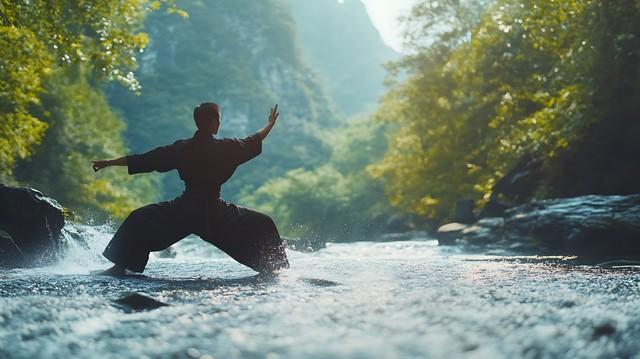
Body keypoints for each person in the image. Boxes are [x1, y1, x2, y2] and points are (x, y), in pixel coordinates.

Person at [91, 103, 289, 276]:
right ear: (212, 123)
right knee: (263, 223)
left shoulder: (182, 148)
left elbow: (146, 159)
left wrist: (109, 162)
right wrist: (270, 125)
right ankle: (276, 269)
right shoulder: (226, 148)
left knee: (138, 218)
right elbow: (253, 140)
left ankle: (120, 267)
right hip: (214, 212)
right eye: (218, 119)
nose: (219, 123)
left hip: (185, 209)